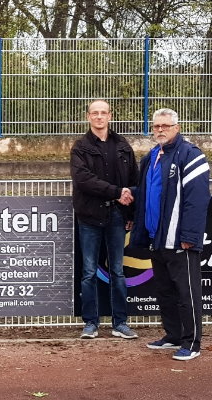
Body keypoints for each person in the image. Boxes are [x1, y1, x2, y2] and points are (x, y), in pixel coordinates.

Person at [130, 108, 210, 361]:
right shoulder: (151, 156)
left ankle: (192, 343)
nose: (160, 130)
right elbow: (145, 193)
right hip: (157, 239)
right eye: (156, 126)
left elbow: (197, 201)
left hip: (180, 241)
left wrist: (189, 236)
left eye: (165, 125)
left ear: (177, 127)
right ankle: (174, 336)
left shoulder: (191, 155)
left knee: (187, 293)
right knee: (165, 291)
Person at [71, 99, 139, 340]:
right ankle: (91, 323)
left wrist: (130, 213)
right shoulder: (80, 147)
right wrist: (116, 192)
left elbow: (134, 180)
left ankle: (120, 323)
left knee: (118, 272)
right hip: (89, 218)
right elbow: (83, 179)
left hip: (117, 217)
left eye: (103, 113)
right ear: (88, 117)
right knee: (89, 272)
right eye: (94, 113)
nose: (99, 117)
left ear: (110, 116)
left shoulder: (122, 145)